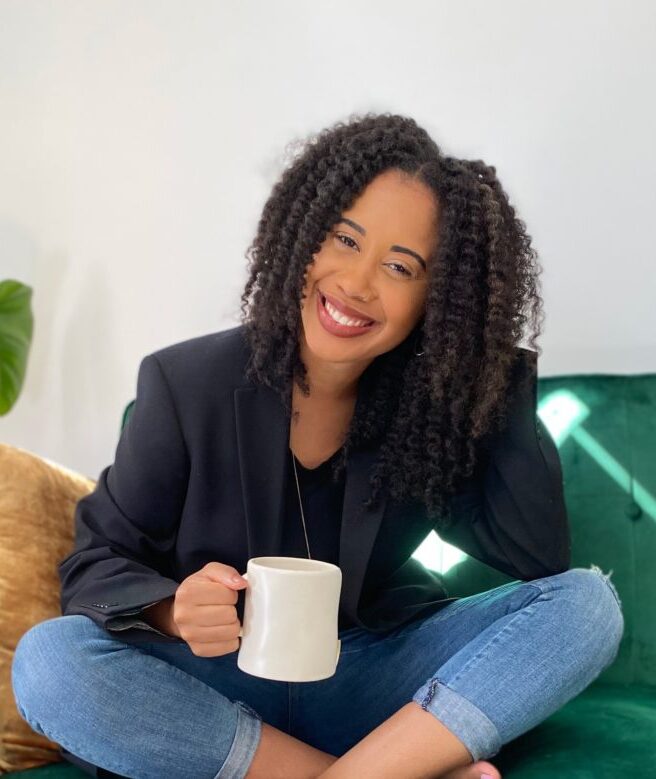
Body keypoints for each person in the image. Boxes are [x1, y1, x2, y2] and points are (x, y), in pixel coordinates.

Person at [11, 112, 624, 779]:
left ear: (439, 299)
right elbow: (96, 559)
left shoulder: (432, 410)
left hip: (367, 677)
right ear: (302, 236)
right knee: (50, 660)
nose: (357, 283)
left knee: (585, 606)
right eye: (344, 238)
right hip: (216, 688)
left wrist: (484, 354)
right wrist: (173, 607)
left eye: (400, 265)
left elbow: (536, 555)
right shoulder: (185, 381)